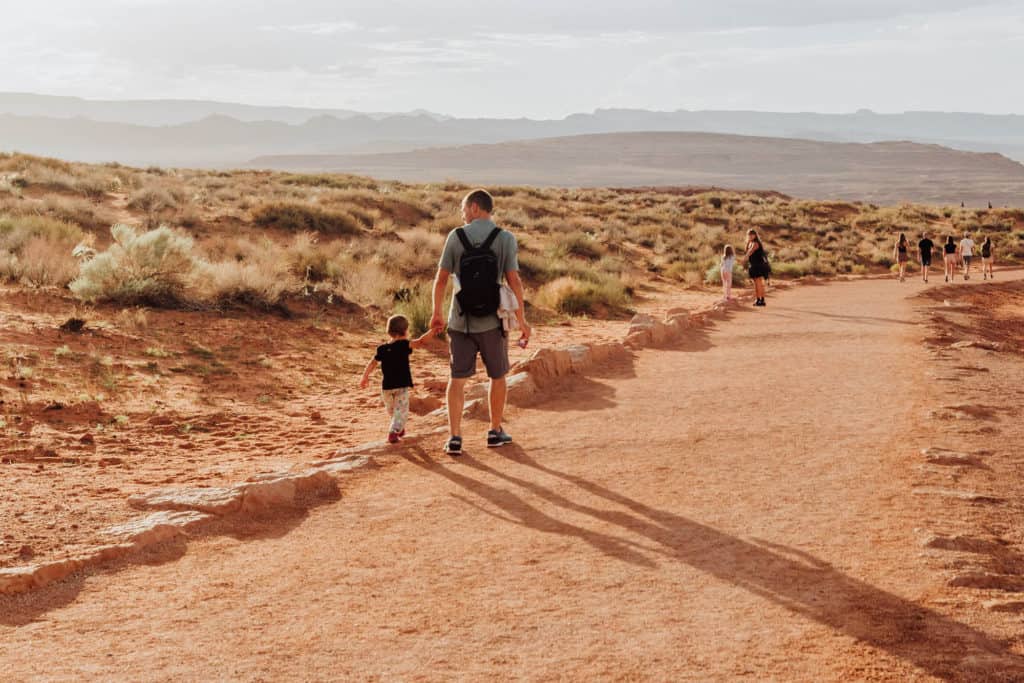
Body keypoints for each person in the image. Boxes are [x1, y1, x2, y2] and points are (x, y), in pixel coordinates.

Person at [430, 189, 531, 456]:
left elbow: (440, 279)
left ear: (475, 207)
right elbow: (514, 281)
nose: (462, 215)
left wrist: (436, 313)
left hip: (460, 320)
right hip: (492, 321)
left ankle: (454, 437)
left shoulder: (456, 236)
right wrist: (521, 319)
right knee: (497, 376)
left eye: (464, 209)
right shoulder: (505, 238)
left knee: (457, 379)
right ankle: (495, 431)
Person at [359, 315, 436, 444]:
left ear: (389, 331)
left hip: (386, 387)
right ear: (405, 331)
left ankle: (397, 428)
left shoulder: (382, 348)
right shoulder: (404, 345)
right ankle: (393, 432)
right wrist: (432, 331)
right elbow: (421, 341)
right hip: (401, 386)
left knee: (393, 410)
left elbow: (372, 363)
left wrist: (364, 376)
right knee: (401, 410)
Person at [745, 229, 770, 307]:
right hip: (753, 265)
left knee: (758, 283)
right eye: (749, 234)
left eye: (752, 234)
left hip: (758, 265)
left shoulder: (755, 243)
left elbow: (750, 251)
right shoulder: (750, 243)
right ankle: (759, 299)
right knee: (757, 283)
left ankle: (761, 299)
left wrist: (744, 259)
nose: (750, 236)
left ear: (755, 235)